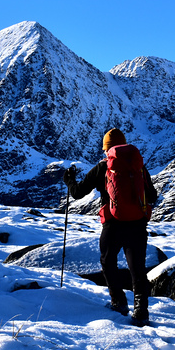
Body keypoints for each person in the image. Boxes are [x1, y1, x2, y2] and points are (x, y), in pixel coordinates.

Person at [63, 128, 157, 325]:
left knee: (107, 261)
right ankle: (141, 311)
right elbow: (153, 195)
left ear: (107, 149)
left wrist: (69, 180)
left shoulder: (103, 167)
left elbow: (78, 193)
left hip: (113, 224)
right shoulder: (138, 167)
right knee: (137, 268)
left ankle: (118, 301)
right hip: (137, 224)